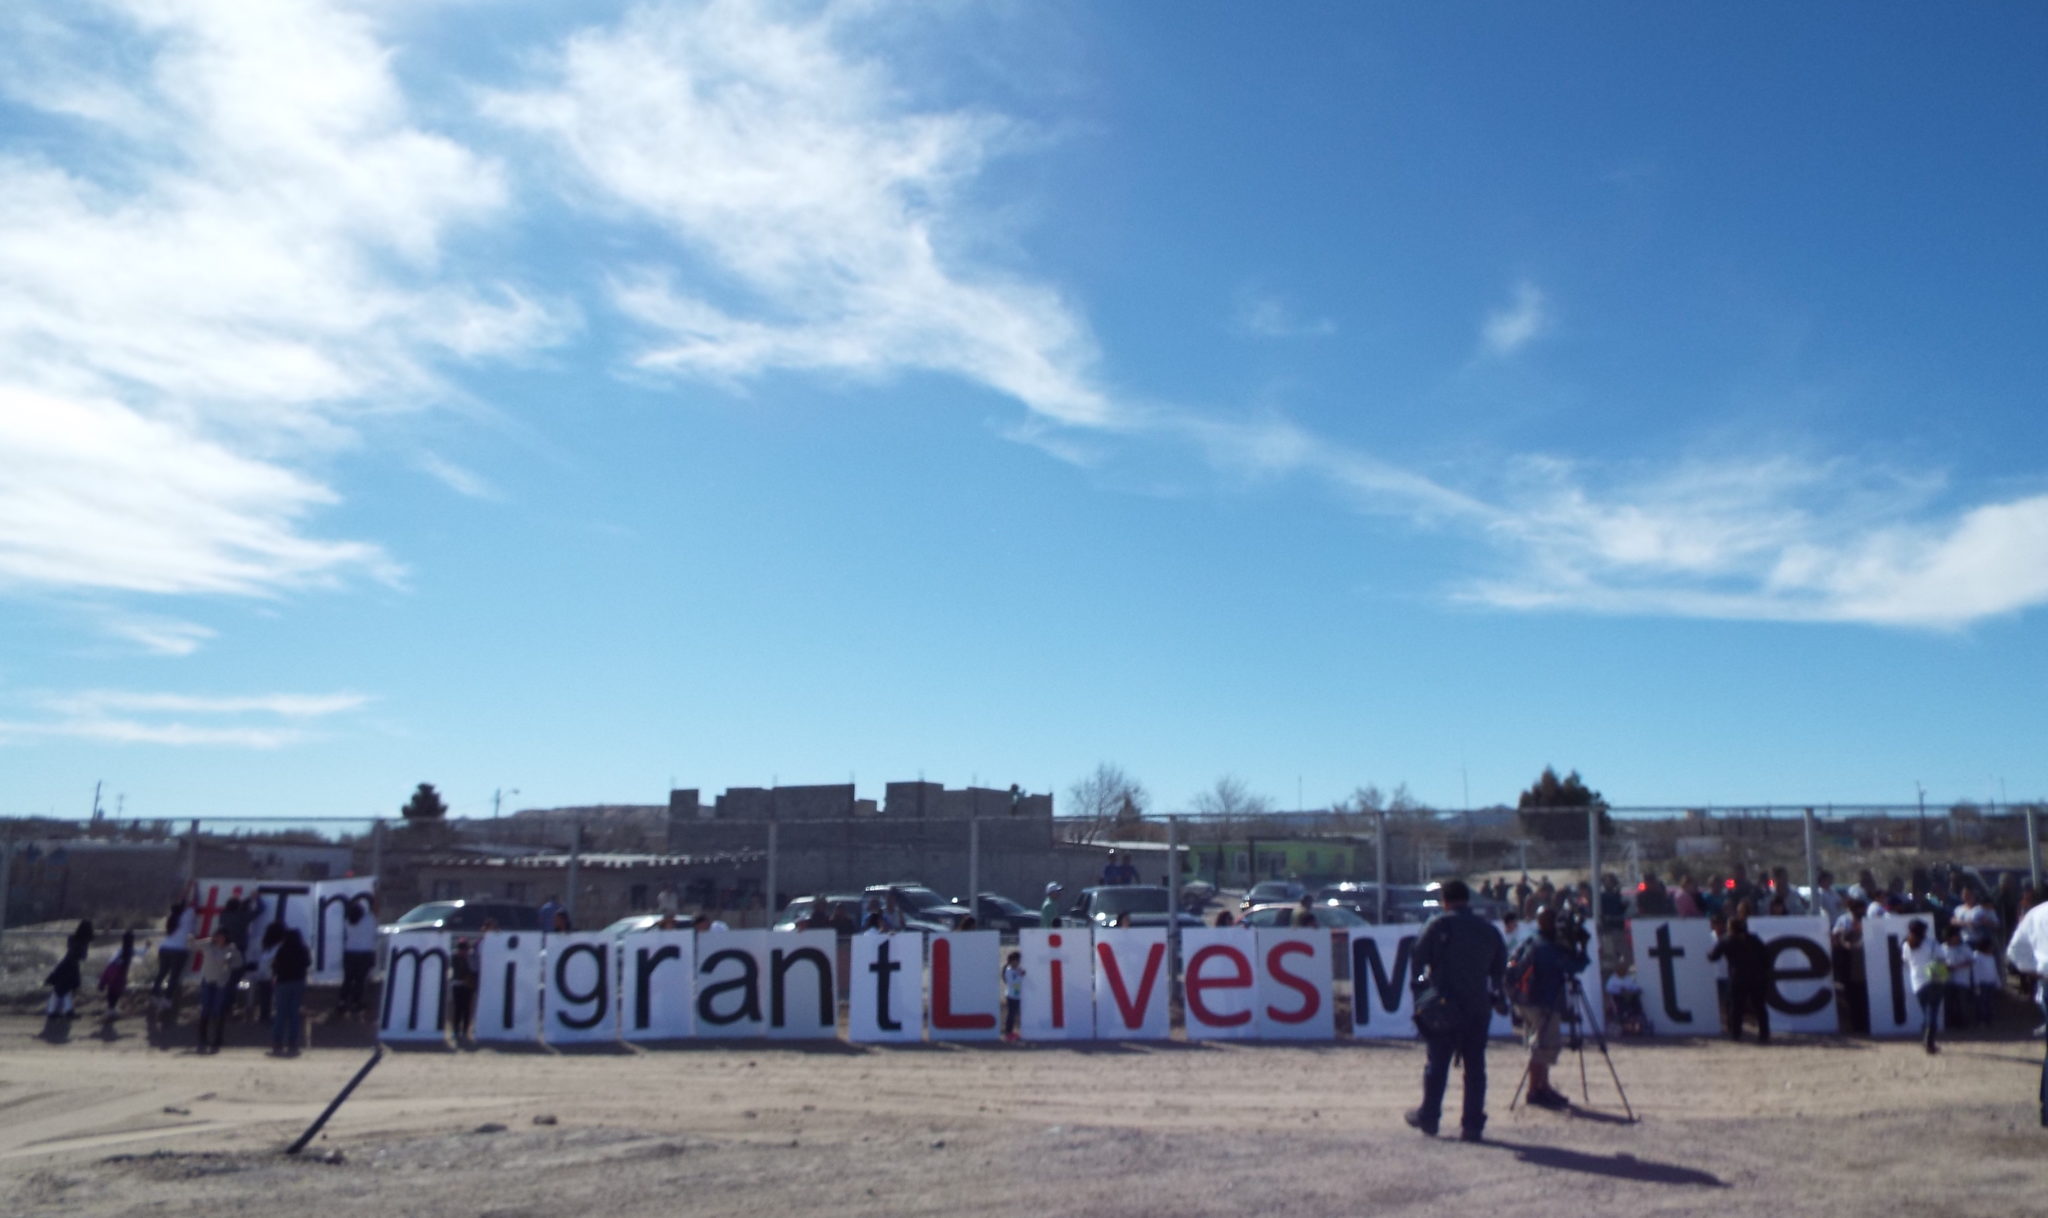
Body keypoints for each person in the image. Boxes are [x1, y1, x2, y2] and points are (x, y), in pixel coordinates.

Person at [1404, 879, 1507, 1142]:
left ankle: (1429, 1118)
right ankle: (1472, 1125)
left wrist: (1421, 997)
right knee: (1475, 1068)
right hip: (1478, 1007)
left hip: (1444, 1006)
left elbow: (1417, 961)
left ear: (1445, 901)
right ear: (1467, 900)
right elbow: (1499, 970)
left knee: (1437, 1064)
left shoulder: (1438, 925)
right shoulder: (1488, 929)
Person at [1510, 907, 1589, 1110]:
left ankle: (1542, 1087)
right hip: (1542, 1001)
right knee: (1544, 1045)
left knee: (1540, 1044)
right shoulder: (1548, 948)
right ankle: (1535, 1091)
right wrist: (1583, 948)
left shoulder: (1532, 940)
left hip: (1523, 1000)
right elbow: (1575, 966)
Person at [2003, 896, 2048, 1125]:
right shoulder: (2038, 913)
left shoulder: (2037, 913)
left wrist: (2034, 972)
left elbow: (2015, 951)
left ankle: (2046, 1104)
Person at [1709, 917, 1771, 1045]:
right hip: (1757, 976)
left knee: (1737, 1006)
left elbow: (1713, 956)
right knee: (1759, 1007)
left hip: (1738, 977)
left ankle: (1736, 1033)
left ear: (1730, 927)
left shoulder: (1727, 940)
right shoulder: (1754, 939)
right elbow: (1766, 956)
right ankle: (1764, 1034)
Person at [194, 929, 243, 1053]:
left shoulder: (231, 949)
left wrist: (230, 961)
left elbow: (239, 963)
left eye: (221, 936)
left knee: (218, 1009)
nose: (219, 938)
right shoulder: (208, 945)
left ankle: (217, 1038)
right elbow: (192, 945)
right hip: (208, 980)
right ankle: (202, 1037)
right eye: (217, 936)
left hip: (221, 983)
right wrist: (205, 940)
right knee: (205, 1008)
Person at [1901, 918, 1943, 1054]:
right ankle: (1929, 1041)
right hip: (1933, 978)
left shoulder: (1906, 945)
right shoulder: (1931, 943)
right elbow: (1941, 958)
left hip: (1917, 983)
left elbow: (1905, 960)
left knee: (1926, 1012)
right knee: (1932, 1013)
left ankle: (1926, 1039)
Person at [269, 926, 311, 1057]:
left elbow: (274, 965)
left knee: (280, 1013)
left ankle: (277, 1042)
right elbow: (308, 963)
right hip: (298, 982)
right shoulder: (303, 949)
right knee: (294, 1013)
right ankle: (293, 1043)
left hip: (283, 982)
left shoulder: (282, 949)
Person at [151, 892, 197, 1004]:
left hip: (165, 948)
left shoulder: (172, 917)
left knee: (162, 973)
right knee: (174, 976)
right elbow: (195, 901)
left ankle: (154, 995)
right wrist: (194, 889)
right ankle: (167, 999)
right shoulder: (188, 915)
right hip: (179, 950)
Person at [337, 898, 378, 1018]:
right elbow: (375, 910)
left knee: (348, 979)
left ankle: (342, 1001)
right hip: (365, 953)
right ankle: (356, 1003)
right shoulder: (369, 919)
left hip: (349, 952)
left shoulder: (347, 921)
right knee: (360, 980)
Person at [45, 919, 93, 1020]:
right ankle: (55, 1011)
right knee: (61, 989)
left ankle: (62, 1011)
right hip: (70, 965)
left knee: (64, 989)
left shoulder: (74, 938)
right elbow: (81, 954)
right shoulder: (82, 941)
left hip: (67, 964)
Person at [99, 929, 136, 1018]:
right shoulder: (130, 951)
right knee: (116, 991)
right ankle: (112, 1009)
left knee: (112, 990)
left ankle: (111, 1009)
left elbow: (112, 961)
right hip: (121, 972)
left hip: (115, 971)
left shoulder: (121, 950)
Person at [449, 938, 479, 1046]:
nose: (463, 952)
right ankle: (456, 1031)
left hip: (468, 985)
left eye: (464, 949)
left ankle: (465, 1031)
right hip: (457, 984)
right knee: (458, 1008)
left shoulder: (470, 958)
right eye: (461, 949)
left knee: (467, 1009)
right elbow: (457, 971)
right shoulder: (454, 957)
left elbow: (473, 969)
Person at [1001, 951, 1025, 1043]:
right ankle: (1008, 1033)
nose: (1018, 962)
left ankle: (1013, 1032)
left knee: (1016, 1014)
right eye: (1016, 960)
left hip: (1018, 995)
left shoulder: (1017, 969)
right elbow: (1011, 983)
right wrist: (1020, 976)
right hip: (1011, 995)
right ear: (1011, 961)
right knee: (1011, 1014)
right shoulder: (1009, 970)